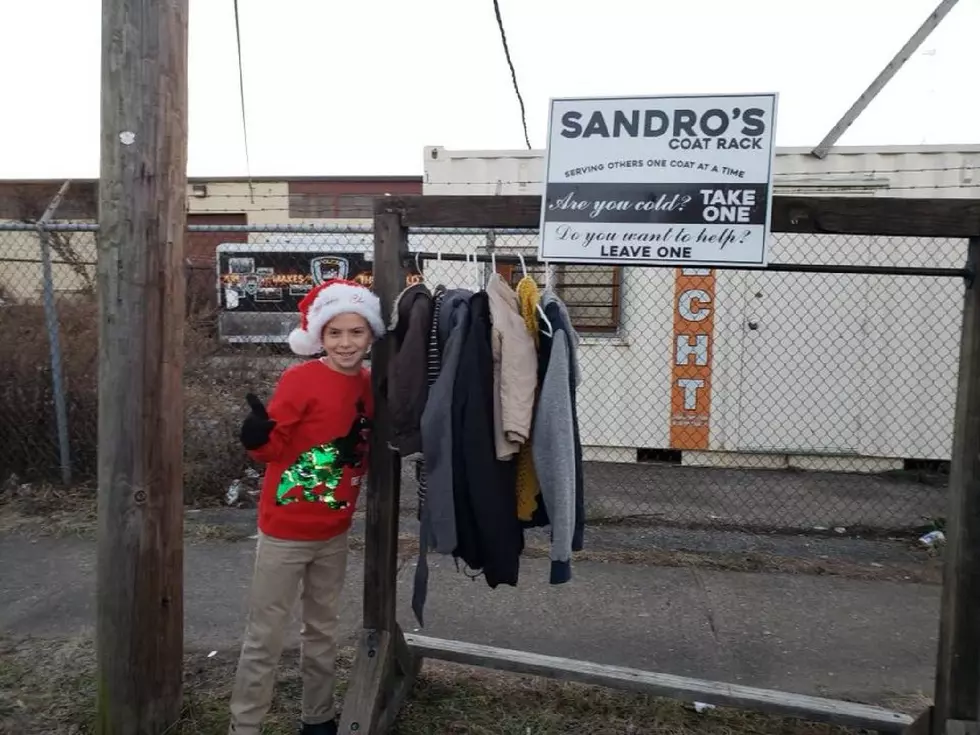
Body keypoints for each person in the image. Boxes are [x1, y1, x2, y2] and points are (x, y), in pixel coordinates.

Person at [227, 278, 386, 735]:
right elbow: (272, 447)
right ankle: (245, 726)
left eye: (356, 333)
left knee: (322, 632)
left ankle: (317, 718)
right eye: (335, 333)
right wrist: (256, 437)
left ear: (370, 336)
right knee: (265, 637)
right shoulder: (300, 379)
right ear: (320, 336)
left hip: (333, 532)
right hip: (285, 532)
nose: (346, 342)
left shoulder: (369, 385)